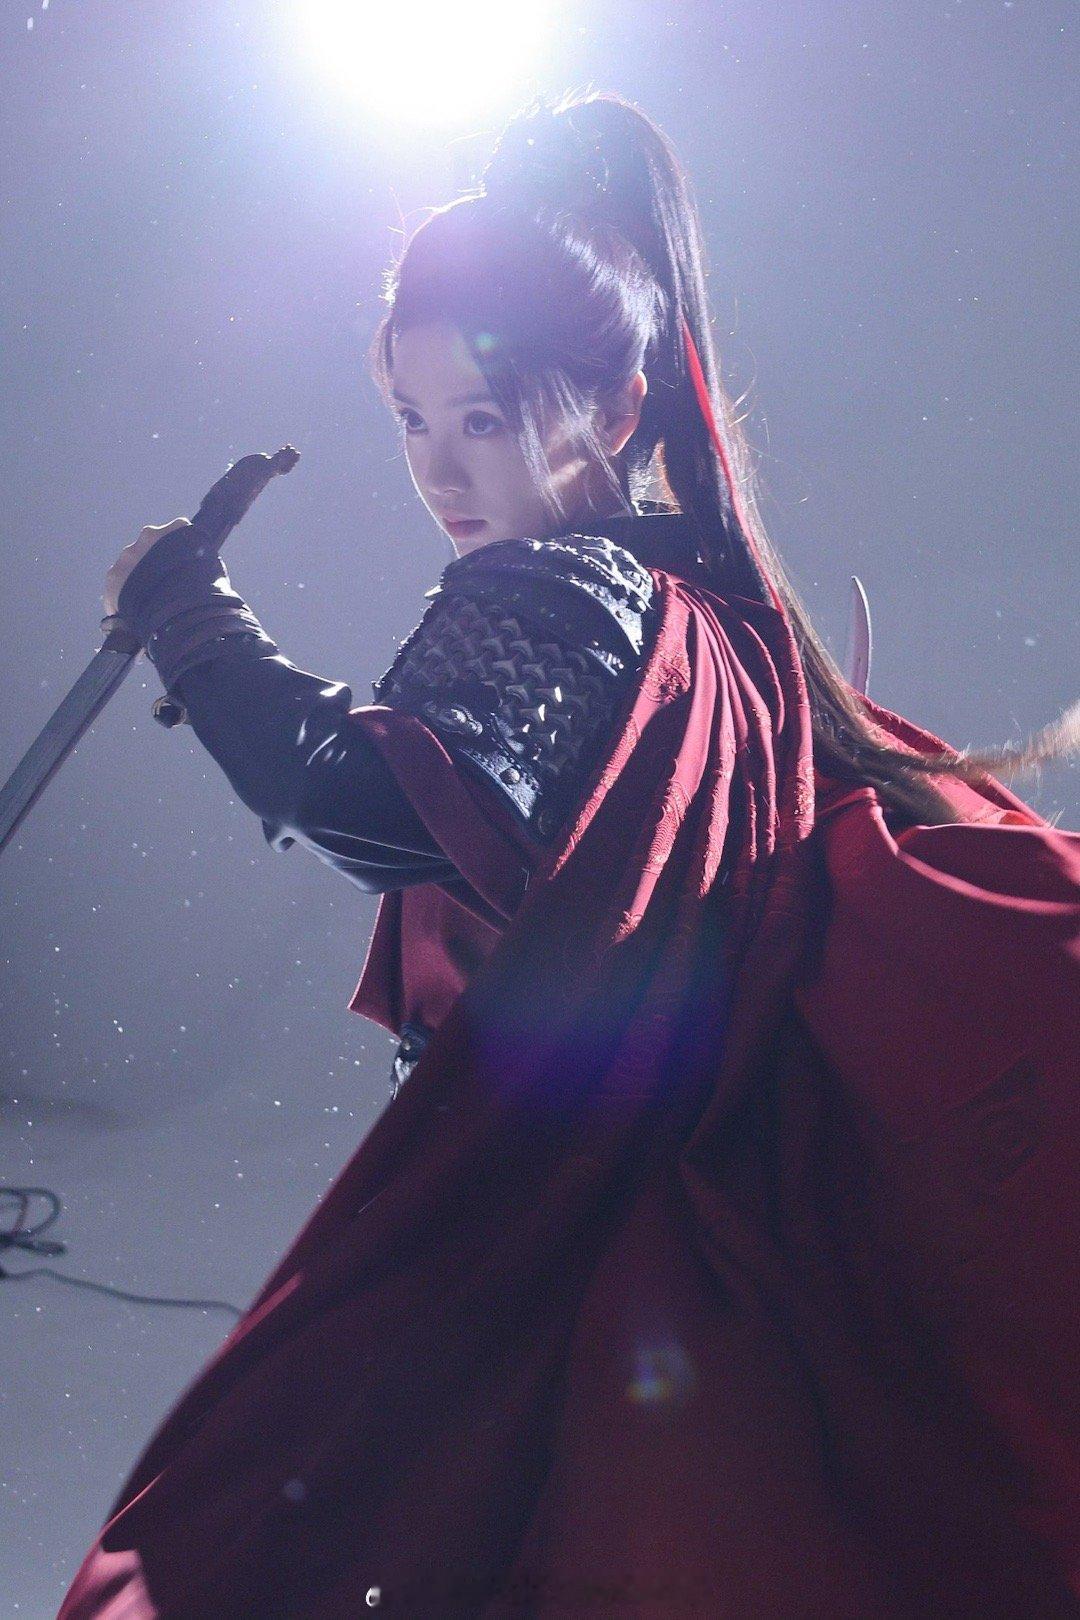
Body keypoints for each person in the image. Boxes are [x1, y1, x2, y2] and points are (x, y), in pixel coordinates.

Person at [60, 91, 1079, 1618]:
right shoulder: (703, 599)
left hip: (588, 1218)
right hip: (675, 1223)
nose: (443, 472)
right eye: (413, 421)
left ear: (610, 410)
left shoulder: (560, 594)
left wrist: (189, 615)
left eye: (487, 419)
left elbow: (370, 798)